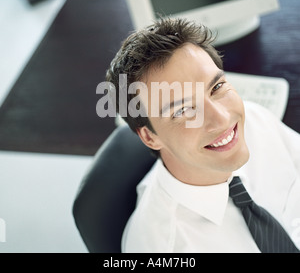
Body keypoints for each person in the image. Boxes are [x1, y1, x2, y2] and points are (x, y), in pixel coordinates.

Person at [106, 17, 300, 253]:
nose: (222, 118)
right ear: (149, 137)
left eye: (216, 88)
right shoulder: (163, 246)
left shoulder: (256, 121)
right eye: (184, 110)